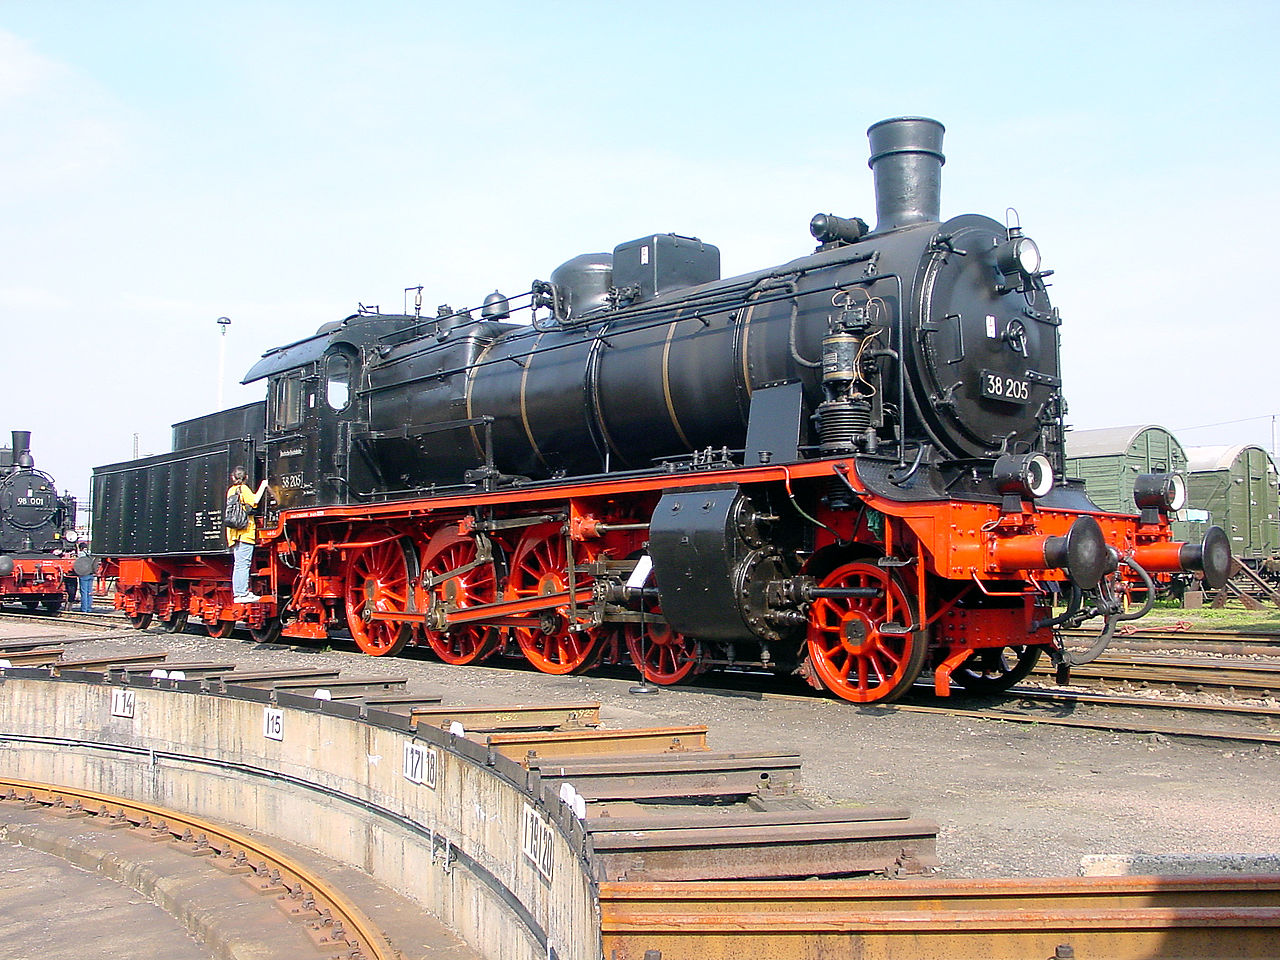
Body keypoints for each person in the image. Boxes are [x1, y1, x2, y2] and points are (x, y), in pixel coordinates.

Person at [226, 466, 269, 603]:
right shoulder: (243, 489)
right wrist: (264, 485)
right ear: (246, 478)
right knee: (243, 564)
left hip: (234, 533)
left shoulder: (231, 490)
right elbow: (254, 501)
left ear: (233, 477)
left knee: (238, 564)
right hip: (245, 532)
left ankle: (239, 593)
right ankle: (242, 593)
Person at [75, 542, 95, 613]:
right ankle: (89, 608)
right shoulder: (90, 554)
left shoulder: (81, 554)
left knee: (84, 592)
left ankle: (84, 609)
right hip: (91, 574)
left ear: (80, 548)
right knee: (89, 592)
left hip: (83, 575)